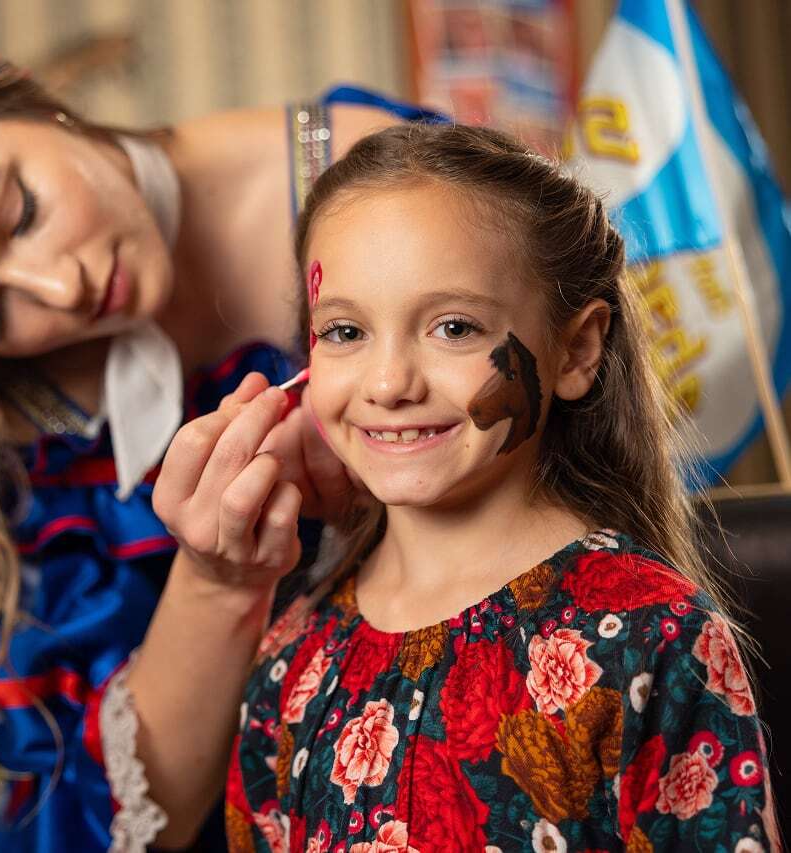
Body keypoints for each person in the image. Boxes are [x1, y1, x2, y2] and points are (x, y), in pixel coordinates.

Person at [139, 123, 779, 851]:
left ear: (575, 349)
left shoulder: (650, 632)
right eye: (346, 332)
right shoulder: (294, 653)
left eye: (452, 327)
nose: (388, 384)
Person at [0, 48, 444, 851]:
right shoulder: (17, 456)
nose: (57, 290)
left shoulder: (407, 176)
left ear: (17, 92)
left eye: (20, 212)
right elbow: (109, 824)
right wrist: (215, 586)